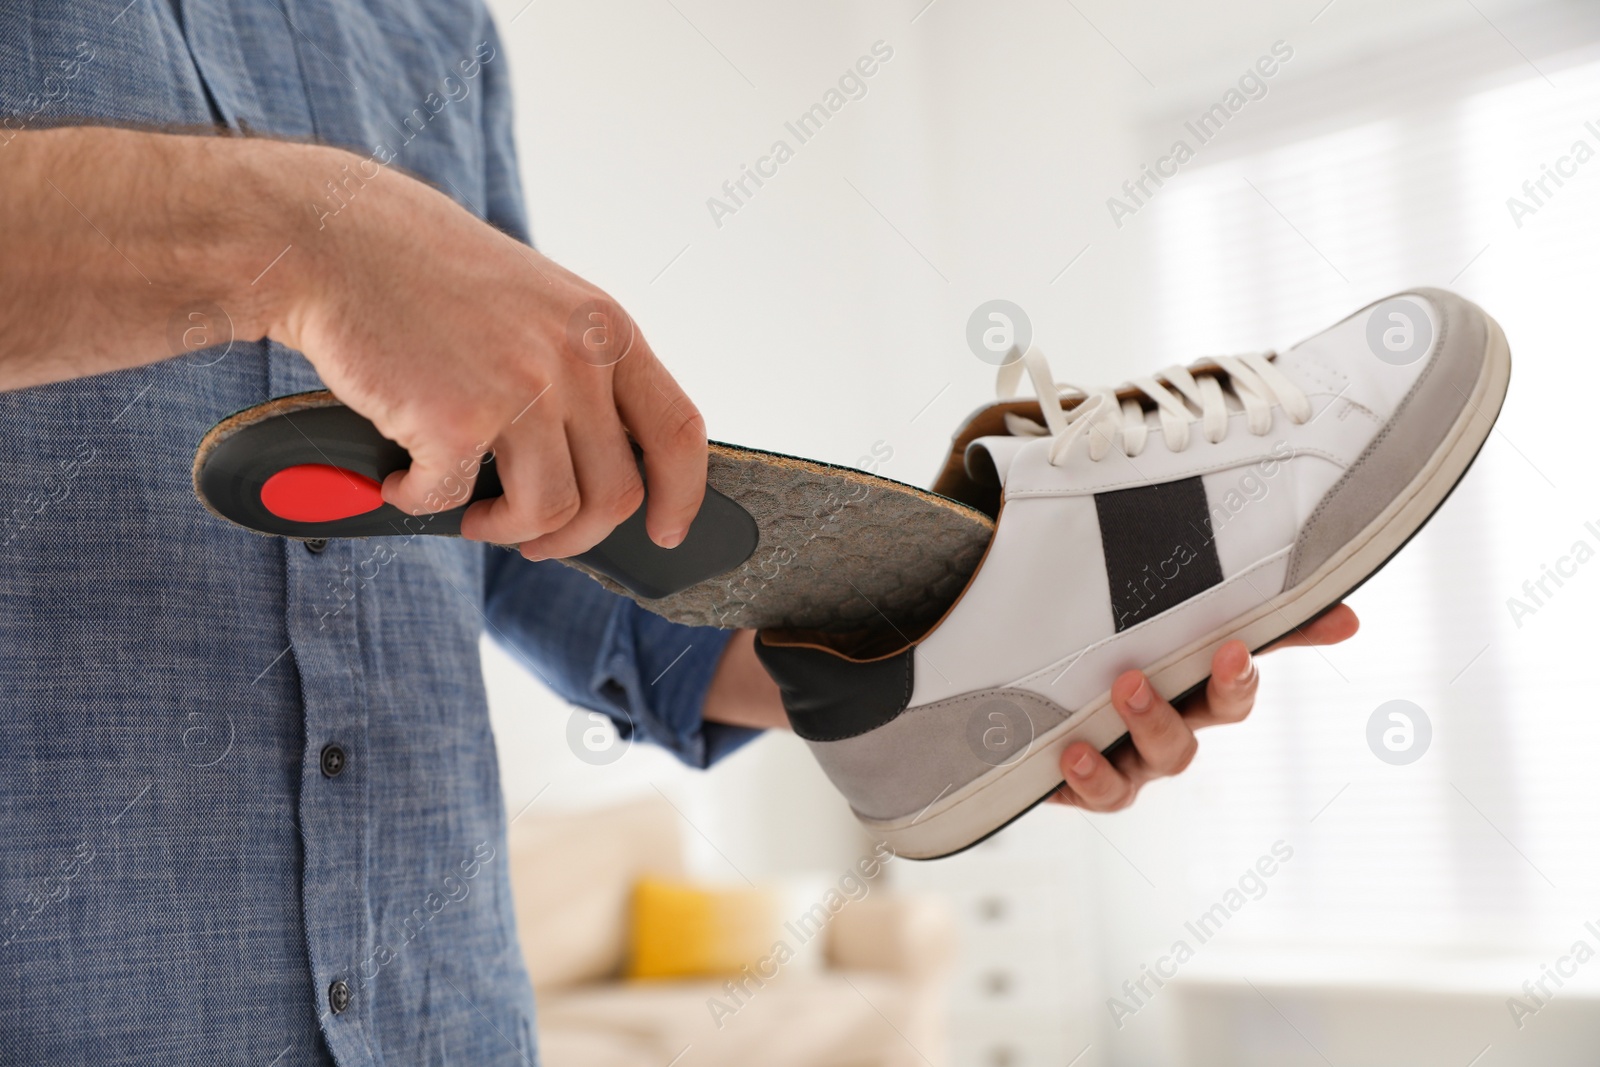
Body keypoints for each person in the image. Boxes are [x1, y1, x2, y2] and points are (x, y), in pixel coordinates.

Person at [0, 3, 1356, 1062]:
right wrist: (295, 239)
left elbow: (530, 525)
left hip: (448, 1023)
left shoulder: (431, 31)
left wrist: (939, 671)